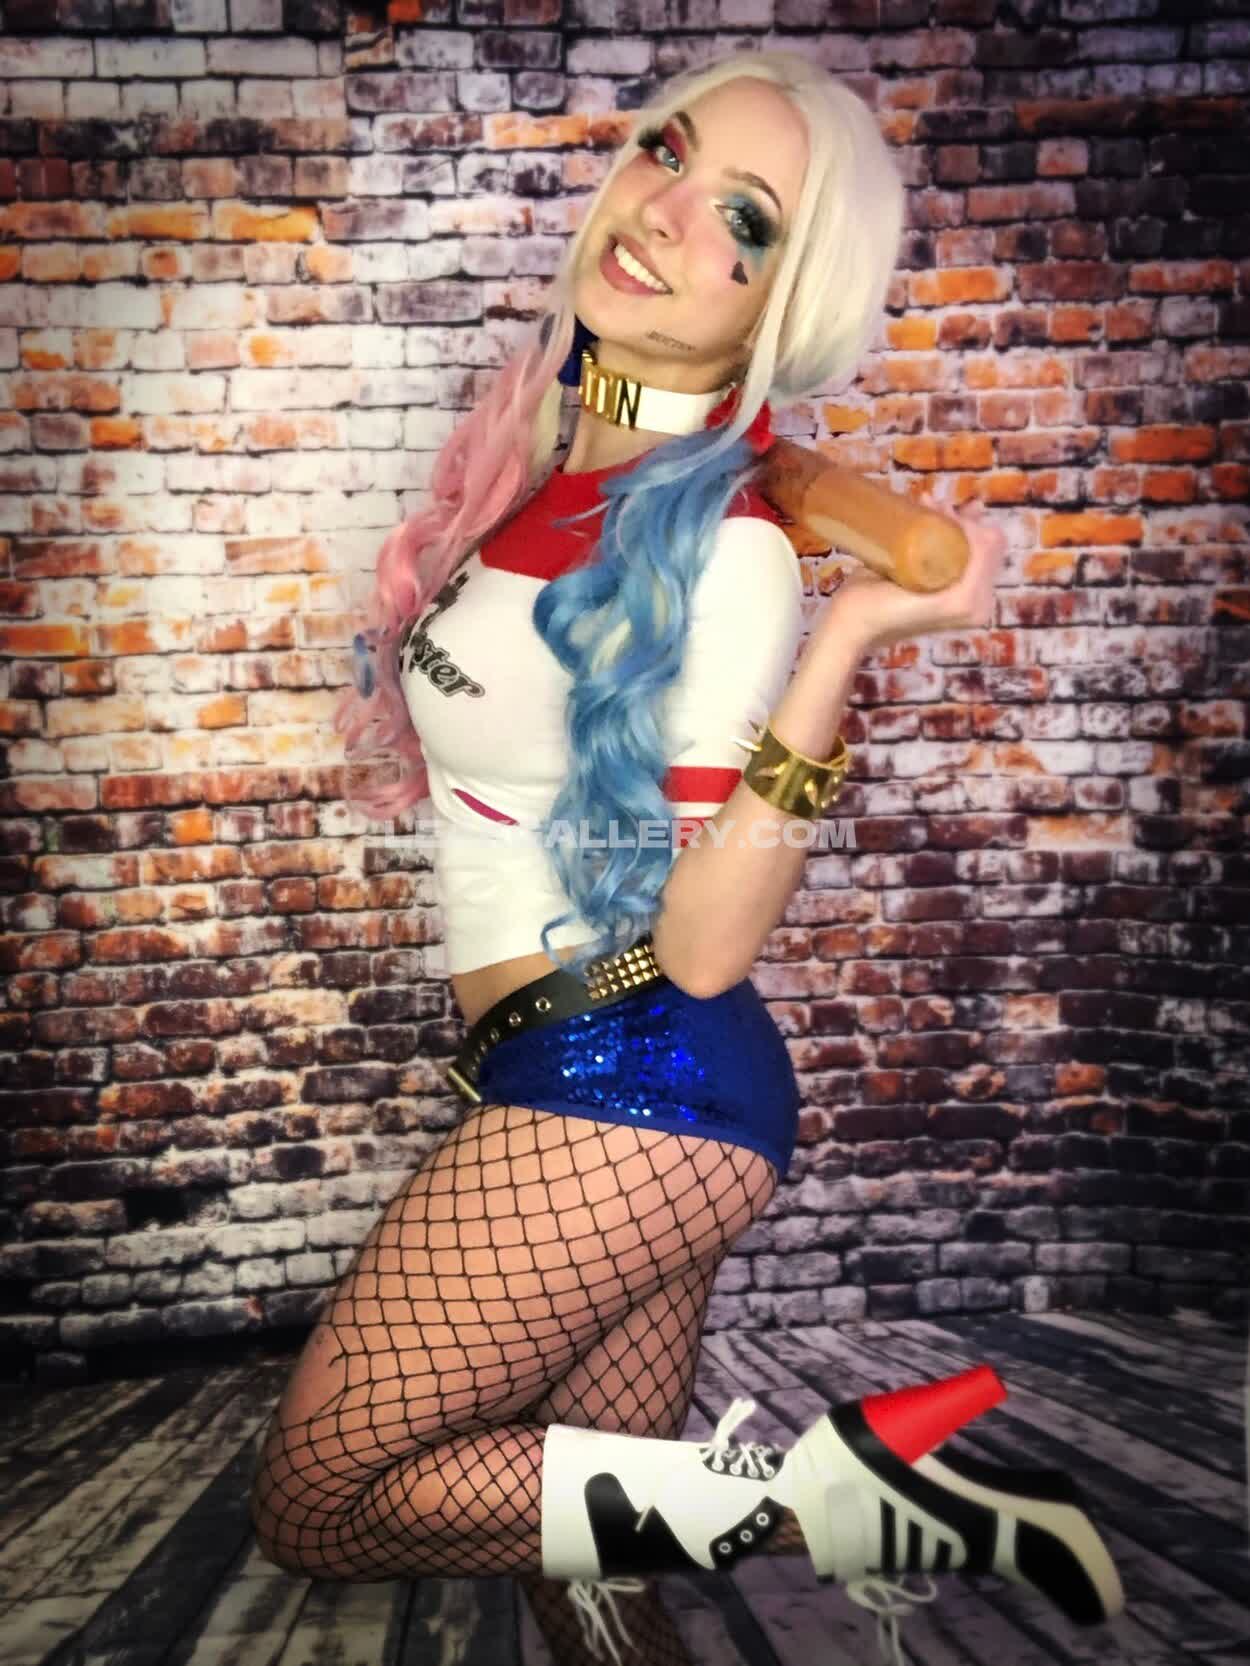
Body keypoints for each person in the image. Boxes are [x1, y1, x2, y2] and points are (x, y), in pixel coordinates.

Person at [249, 47, 1124, 1666]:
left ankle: (828, 1495)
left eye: (744, 218)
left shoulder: (732, 543)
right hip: (564, 1072)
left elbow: (711, 947)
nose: (664, 210)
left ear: (780, 301)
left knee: (324, 1496)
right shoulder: (555, 469)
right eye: (665, 152)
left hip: (637, 1079)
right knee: (589, 1574)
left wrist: (843, 632)